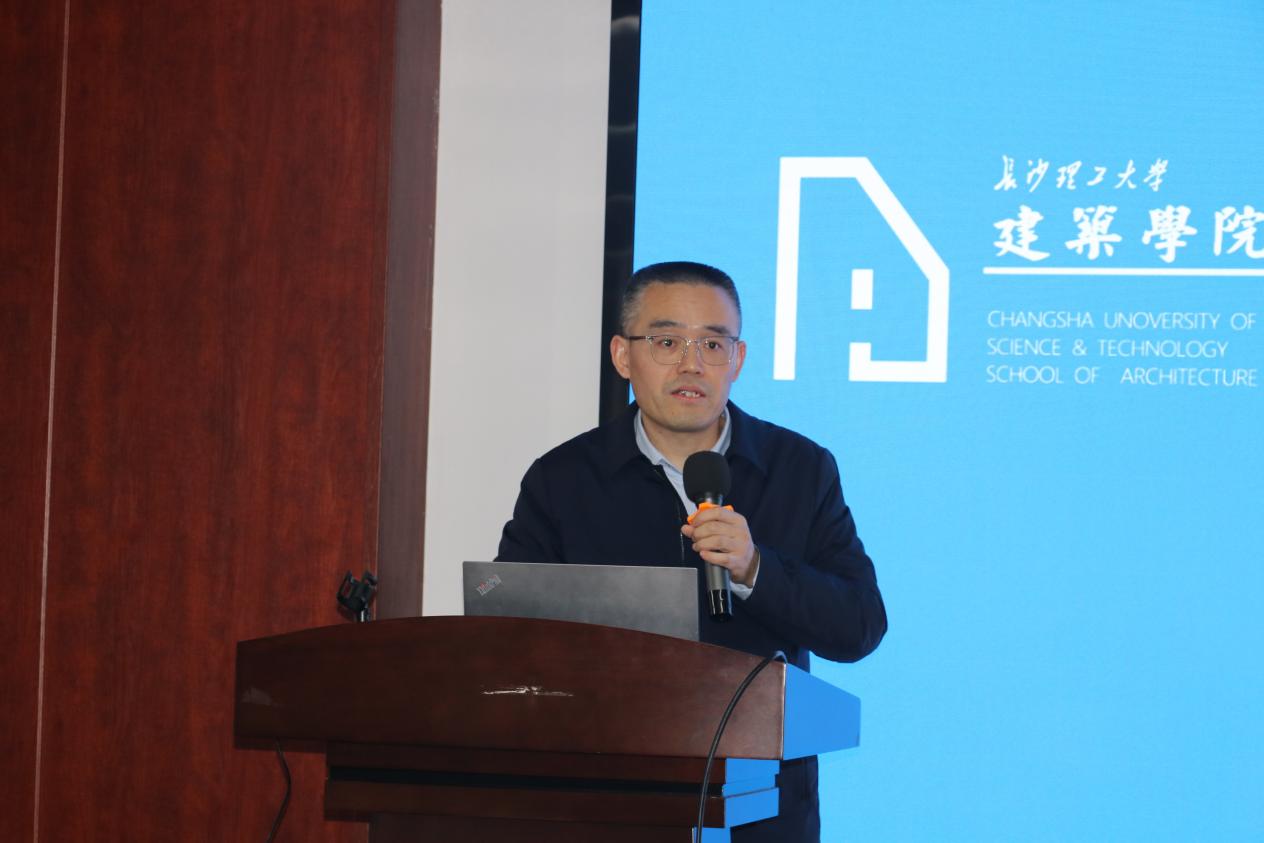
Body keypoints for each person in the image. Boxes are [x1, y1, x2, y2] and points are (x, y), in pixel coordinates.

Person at [497, 261, 886, 842]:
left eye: (712, 343)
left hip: (762, 810)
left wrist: (756, 569)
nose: (691, 364)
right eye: (667, 342)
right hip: (604, 806)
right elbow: (508, 638)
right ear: (623, 356)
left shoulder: (800, 469)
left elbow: (859, 625)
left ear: (738, 359)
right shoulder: (563, 480)